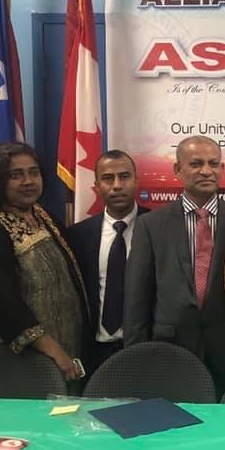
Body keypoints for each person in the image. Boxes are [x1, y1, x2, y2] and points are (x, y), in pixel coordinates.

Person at [0, 143, 86, 383]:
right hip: (19, 360)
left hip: (67, 349)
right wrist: (53, 350)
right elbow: (2, 303)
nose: (28, 181)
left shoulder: (44, 216)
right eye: (16, 175)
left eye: (33, 172)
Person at [124, 136, 225, 399]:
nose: (206, 171)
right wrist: (134, 356)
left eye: (214, 164)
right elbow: (137, 298)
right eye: (196, 164)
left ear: (222, 169)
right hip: (169, 346)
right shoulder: (151, 224)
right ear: (178, 170)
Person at [65, 150, 149, 375]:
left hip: (145, 349)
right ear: (96, 186)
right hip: (94, 352)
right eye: (108, 178)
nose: (117, 185)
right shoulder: (77, 236)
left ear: (137, 180)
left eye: (125, 176)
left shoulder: (159, 227)